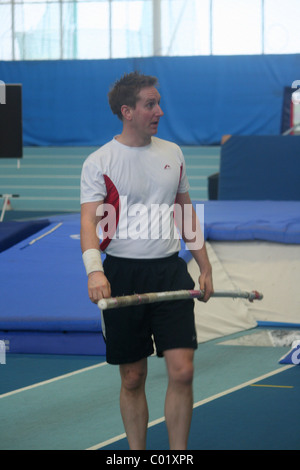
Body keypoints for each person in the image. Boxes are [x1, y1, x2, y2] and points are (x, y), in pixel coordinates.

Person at [80, 71, 214, 450]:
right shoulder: (99, 162)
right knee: (133, 377)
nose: (159, 111)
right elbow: (89, 223)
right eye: (150, 104)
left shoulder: (172, 153)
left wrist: (204, 267)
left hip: (171, 271)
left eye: (158, 103)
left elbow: (185, 214)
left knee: (183, 370)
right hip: (122, 273)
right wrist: (94, 271)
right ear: (127, 111)